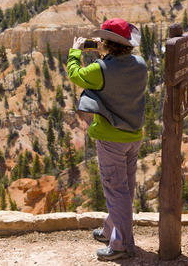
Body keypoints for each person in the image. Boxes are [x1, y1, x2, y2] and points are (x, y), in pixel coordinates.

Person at [66, 18, 148, 261]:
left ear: (109, 43)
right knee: (125, 188)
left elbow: (75, 74)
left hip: (111, 138)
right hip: (134, 135)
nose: (100, 42)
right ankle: (110, 230)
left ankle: (121, 245)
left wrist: (75, 51)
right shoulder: (141, 64)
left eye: (103, 40)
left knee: (115, 189)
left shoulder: (101, 70)